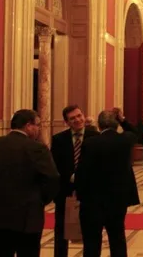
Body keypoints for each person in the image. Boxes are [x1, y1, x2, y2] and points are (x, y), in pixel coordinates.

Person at [0, 109, 60, 256]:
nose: (38, 129)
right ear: (28, 125)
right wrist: (41, 199)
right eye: (37, 125)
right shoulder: (37, 148)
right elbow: (53, 178)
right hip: (27, 220)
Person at [75, 108, 140, 256]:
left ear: (99, 125)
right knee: (117, 237)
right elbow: (136, 133)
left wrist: (79, 193)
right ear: (116, 124)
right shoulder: (125, 140)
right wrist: (123, 120)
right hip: (118, 199)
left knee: (92, 241)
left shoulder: (90, 143)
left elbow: (82, 172)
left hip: (93, 200)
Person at [51, 105, 99, 257]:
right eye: (73, 118)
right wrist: (70, 177)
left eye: (79, 115)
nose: (78, 120)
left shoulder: (95, 136)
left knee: (91, 233)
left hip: (90, 192)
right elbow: (55, 165)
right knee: (61, 231)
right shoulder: (59, 139)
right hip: (65, 192)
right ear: (67, 122)